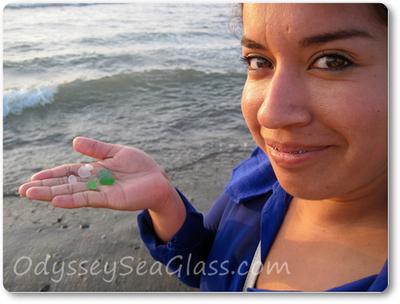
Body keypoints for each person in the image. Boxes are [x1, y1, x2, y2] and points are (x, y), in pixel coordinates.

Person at [18, 3, 388, 292]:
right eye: (259, 61)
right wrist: (164, 202)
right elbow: (210, 265)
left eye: (332, 61)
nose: (271, 114)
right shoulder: (266, 170)